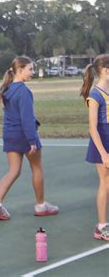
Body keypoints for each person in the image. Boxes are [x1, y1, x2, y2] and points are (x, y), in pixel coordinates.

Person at [0, 56, 59, 221]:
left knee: (13, 171)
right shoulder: (24, 91)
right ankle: (41, 205)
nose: (32, 72)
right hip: (25, 136)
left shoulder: (7, 89)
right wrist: (32, 140)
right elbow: (26, 119)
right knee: (37, 168)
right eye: (30, 69)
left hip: (10, 134)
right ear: (20, 70)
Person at [80, 54, 109, 241]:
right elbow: (92, 128)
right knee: (105, 184)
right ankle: (101, 226)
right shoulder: (95, 95)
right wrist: (104, 154)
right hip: (103, 144)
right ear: (106, 71)